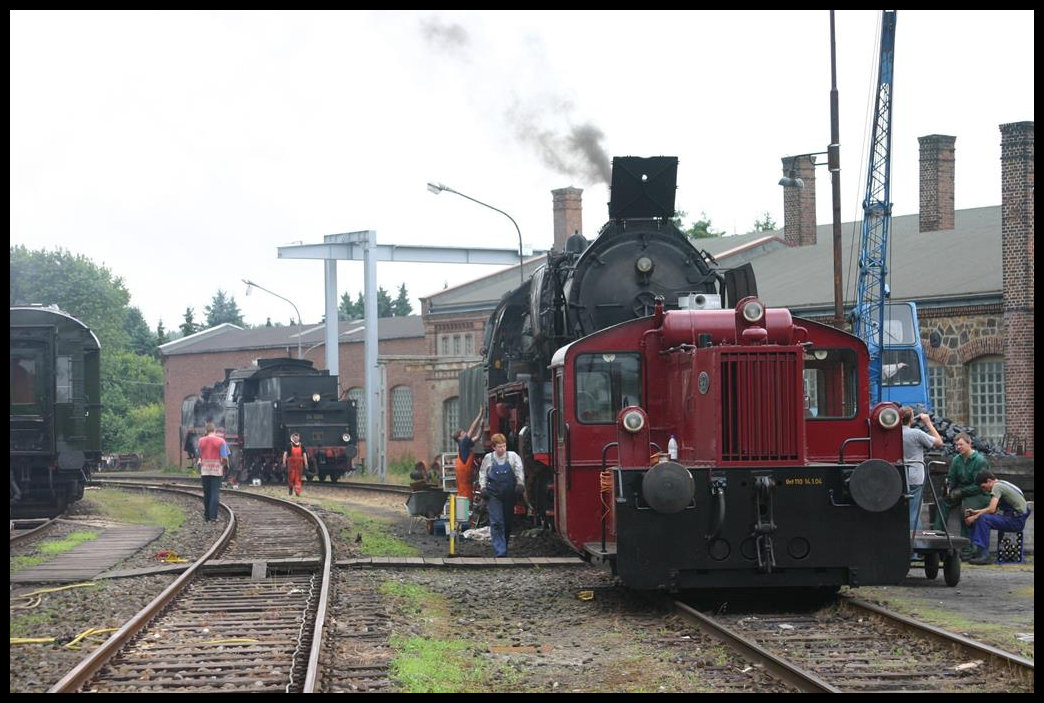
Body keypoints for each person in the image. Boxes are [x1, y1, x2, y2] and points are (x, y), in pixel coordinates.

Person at [932, 432, 991, 553]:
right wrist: (948, 487)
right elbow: (952, 478)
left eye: (961, 444)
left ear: (969, 444)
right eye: (957, 445)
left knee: (966, 510)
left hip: (978, 493)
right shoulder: (957, 460)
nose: (958, 447)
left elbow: (980, 485)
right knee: (941, 502)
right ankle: (938, 538)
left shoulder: (979, 461)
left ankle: (967, 548)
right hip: (961, 491)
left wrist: (961, 492)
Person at [964, 470, 1030, 565]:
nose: (984, 490)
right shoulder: (1004, 484)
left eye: (983, 486)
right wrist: (975, 512)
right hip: (1015, 519)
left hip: (1015, 521)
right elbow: (993, 510)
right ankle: (978, 551)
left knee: (983, 519)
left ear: (989, 481)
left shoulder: (997, 487)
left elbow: (991, 510)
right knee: (981, 518)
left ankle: (983, 555)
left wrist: (974, 517)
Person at [477, 433, 526, 558]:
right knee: (496, 522)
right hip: (494, 494)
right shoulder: (489, 458)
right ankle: (500, 551)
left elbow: (519, 470)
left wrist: (520, 483)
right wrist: (483, 488)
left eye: (504, 446)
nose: (502, 449)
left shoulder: (513, 457)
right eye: (499, 447)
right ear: (494, 447)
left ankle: (504, 544)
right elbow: (483, 473)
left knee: (507, 521)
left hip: (509, 494)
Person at [900, 407, 943, 534]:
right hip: (915, 476)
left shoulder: (894, 434)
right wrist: (928, 423)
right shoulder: (916, 434)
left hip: (898, 476)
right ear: (911, 419)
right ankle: (915, 547)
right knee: (914, 511)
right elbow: (939, 442)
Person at [197, 422, 230, 522]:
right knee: (215, 493)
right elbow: (224, 457)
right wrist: (226, 465)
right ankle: (213, 516)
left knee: (206, 493)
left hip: (205, 470)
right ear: (215, 430)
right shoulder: (221, 441)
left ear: (206, 431)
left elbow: (199, 455)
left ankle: (207, 516)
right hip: (216, 470)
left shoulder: (201, 441)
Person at [453, 407, 484, 501]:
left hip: (465, 483)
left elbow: (477, 437)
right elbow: (472, 429)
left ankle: (464, 514)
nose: (465, 433)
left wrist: (481, 427)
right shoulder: (463, 444)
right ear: (459, 438)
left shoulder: (464, 446)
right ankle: (463, 515)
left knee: (465, 505)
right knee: (465, 504)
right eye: (463, 433)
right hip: (464, 484)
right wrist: (480, 415)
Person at [282, 432, 309, 497]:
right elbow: (285, 454)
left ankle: (297, 492)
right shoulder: (289, 445)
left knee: (298, 478)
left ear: (299, 438)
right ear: (293, 438)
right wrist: (284, 462)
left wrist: (306, 463)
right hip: (291, 465)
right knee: (291, 478)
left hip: (299, 465)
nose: (296, 439)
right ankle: (291, 488)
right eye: (295, 437)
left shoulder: (302, 446)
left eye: (297, 437)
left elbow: (304, 455)